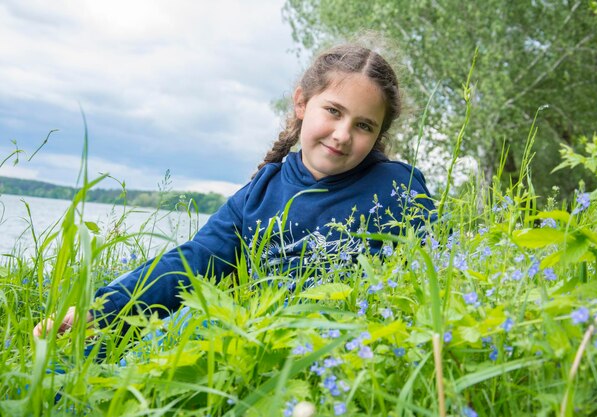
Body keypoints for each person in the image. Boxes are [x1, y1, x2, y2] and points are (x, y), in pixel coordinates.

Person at [33, 41, 436, 338]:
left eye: (364, 125)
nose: (342, 135)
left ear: (380, 132)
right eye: (333, 111)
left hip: (344, 345)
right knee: (89, 361)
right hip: (256, 336)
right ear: (301, 103)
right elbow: (192, 263)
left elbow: (439, 269)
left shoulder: (397, 187)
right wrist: (101, 307)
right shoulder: (260, 192)